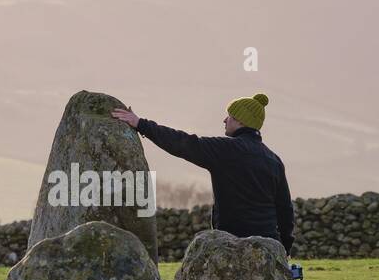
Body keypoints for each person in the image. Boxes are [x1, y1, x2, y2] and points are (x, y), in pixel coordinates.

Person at [110, 93, 294, 253]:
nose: (224, 120)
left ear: (241, 121)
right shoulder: (273, 160)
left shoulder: (226, 150)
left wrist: (141, 124)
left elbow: (183, 143)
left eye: (229, 116)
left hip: (233, 243)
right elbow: (285, 209)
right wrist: (284, 247)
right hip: (269, 245)